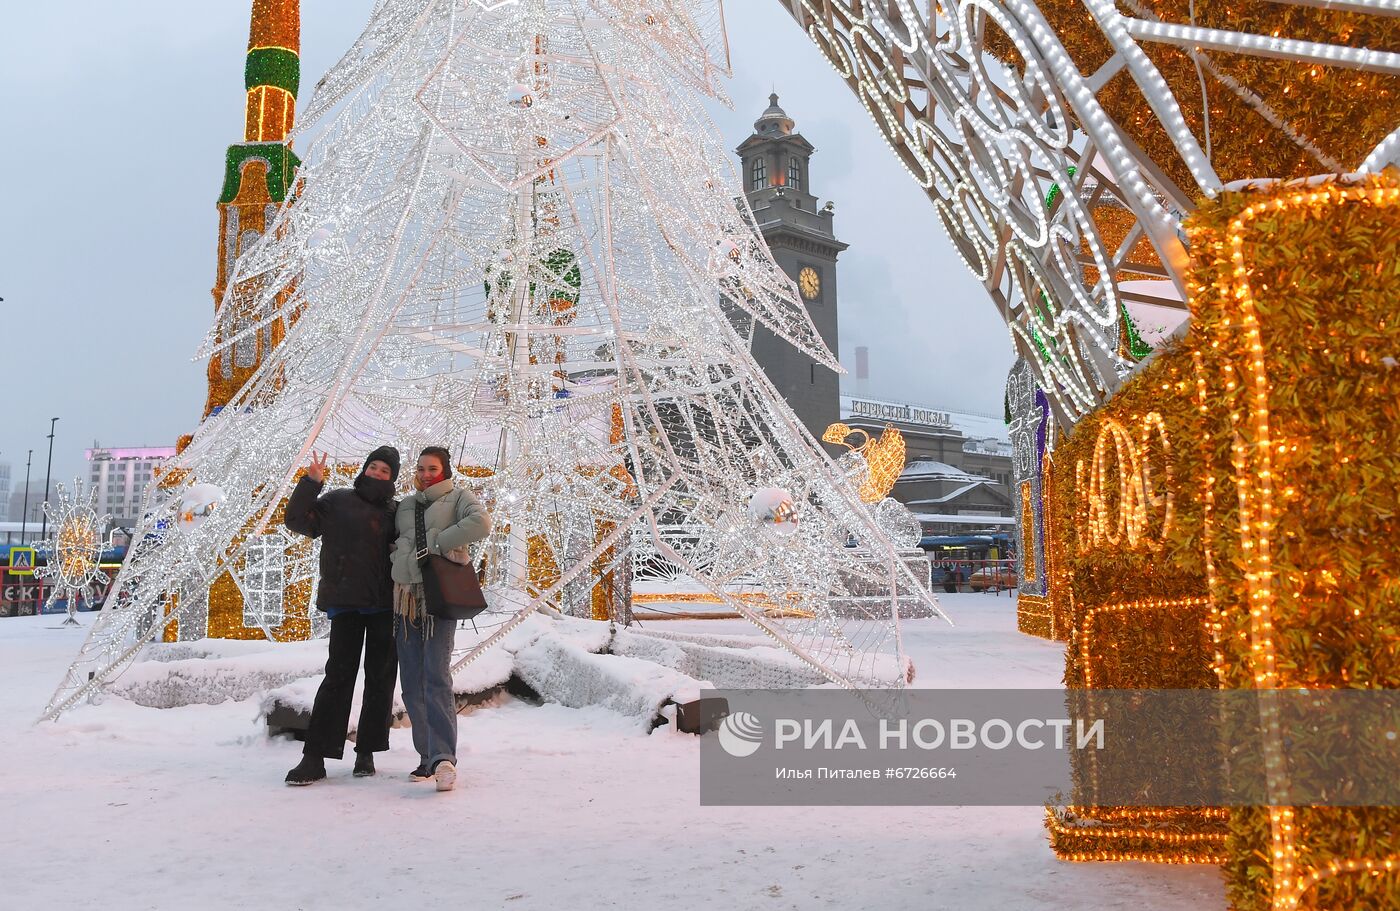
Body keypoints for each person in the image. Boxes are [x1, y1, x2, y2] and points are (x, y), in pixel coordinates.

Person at [282, 446, 401, 786]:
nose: (378, 473)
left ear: (392, 477)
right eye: (374, 467)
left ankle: (367, 751)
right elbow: (296, 520)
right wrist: (311, 483)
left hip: (384, 605)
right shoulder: (337, 501)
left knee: (380, 679)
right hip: (347, 603)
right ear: (364, 468)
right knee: (337, 677)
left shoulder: (396, 510)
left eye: (385, 471)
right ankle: (314, 757)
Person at [391, 446, 492, 792]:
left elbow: (481, 523)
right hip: (404, 599)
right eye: (420, 468)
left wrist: (436, 542)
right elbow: (393, 539)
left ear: (445, 470)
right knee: (411, 683)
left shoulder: (459, 496)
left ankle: (444, 758)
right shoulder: (405, 505)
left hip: (438, 599)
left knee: (435, 676)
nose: (425, 474)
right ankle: (427, 756)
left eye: (432, 468)